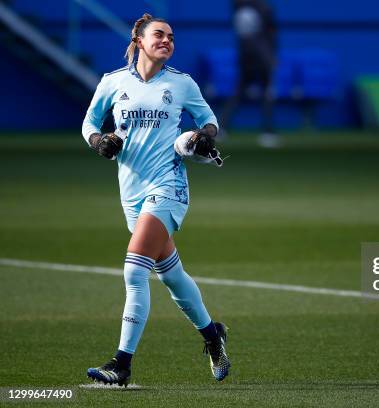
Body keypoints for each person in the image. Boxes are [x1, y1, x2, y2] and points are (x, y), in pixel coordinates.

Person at [81, 13, 230, 386]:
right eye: (159, 35)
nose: (167, 40)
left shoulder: (181, 84)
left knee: (134, 271)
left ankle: (121, 364)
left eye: (171, 37)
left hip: (168, 186)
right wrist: (100, 141)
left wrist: (204, 136)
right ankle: (213, 335)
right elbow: (89, 123)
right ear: (140, 41)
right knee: (172, 275)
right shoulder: (113, 83)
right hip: (131, 191)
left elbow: (209, 120)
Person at [221, 0, 279, 147]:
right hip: (260, 58)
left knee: (238, 92)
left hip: (246, 57)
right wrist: (271, 58)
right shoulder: (263, 7)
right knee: (266, 92)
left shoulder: (238, 6)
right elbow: (269, 35)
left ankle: (222, 128)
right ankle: (268, 132)